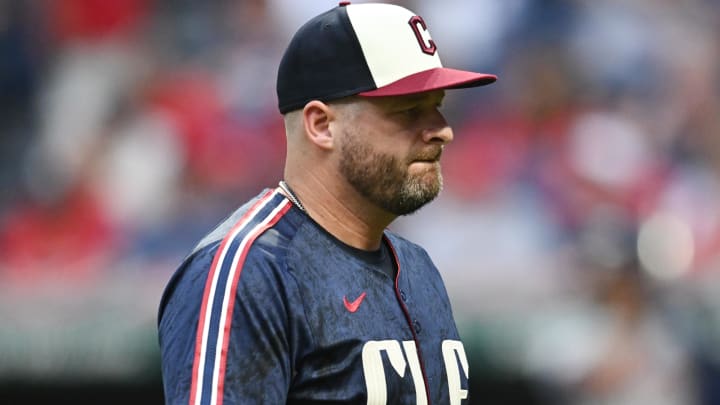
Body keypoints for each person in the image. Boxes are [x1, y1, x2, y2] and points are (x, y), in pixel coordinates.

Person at [158, 2, 496, 404]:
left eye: (437, 107)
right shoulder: (250, 272)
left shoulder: (418, 268)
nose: (442, 131)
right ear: (321, 125)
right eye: (408, 111)